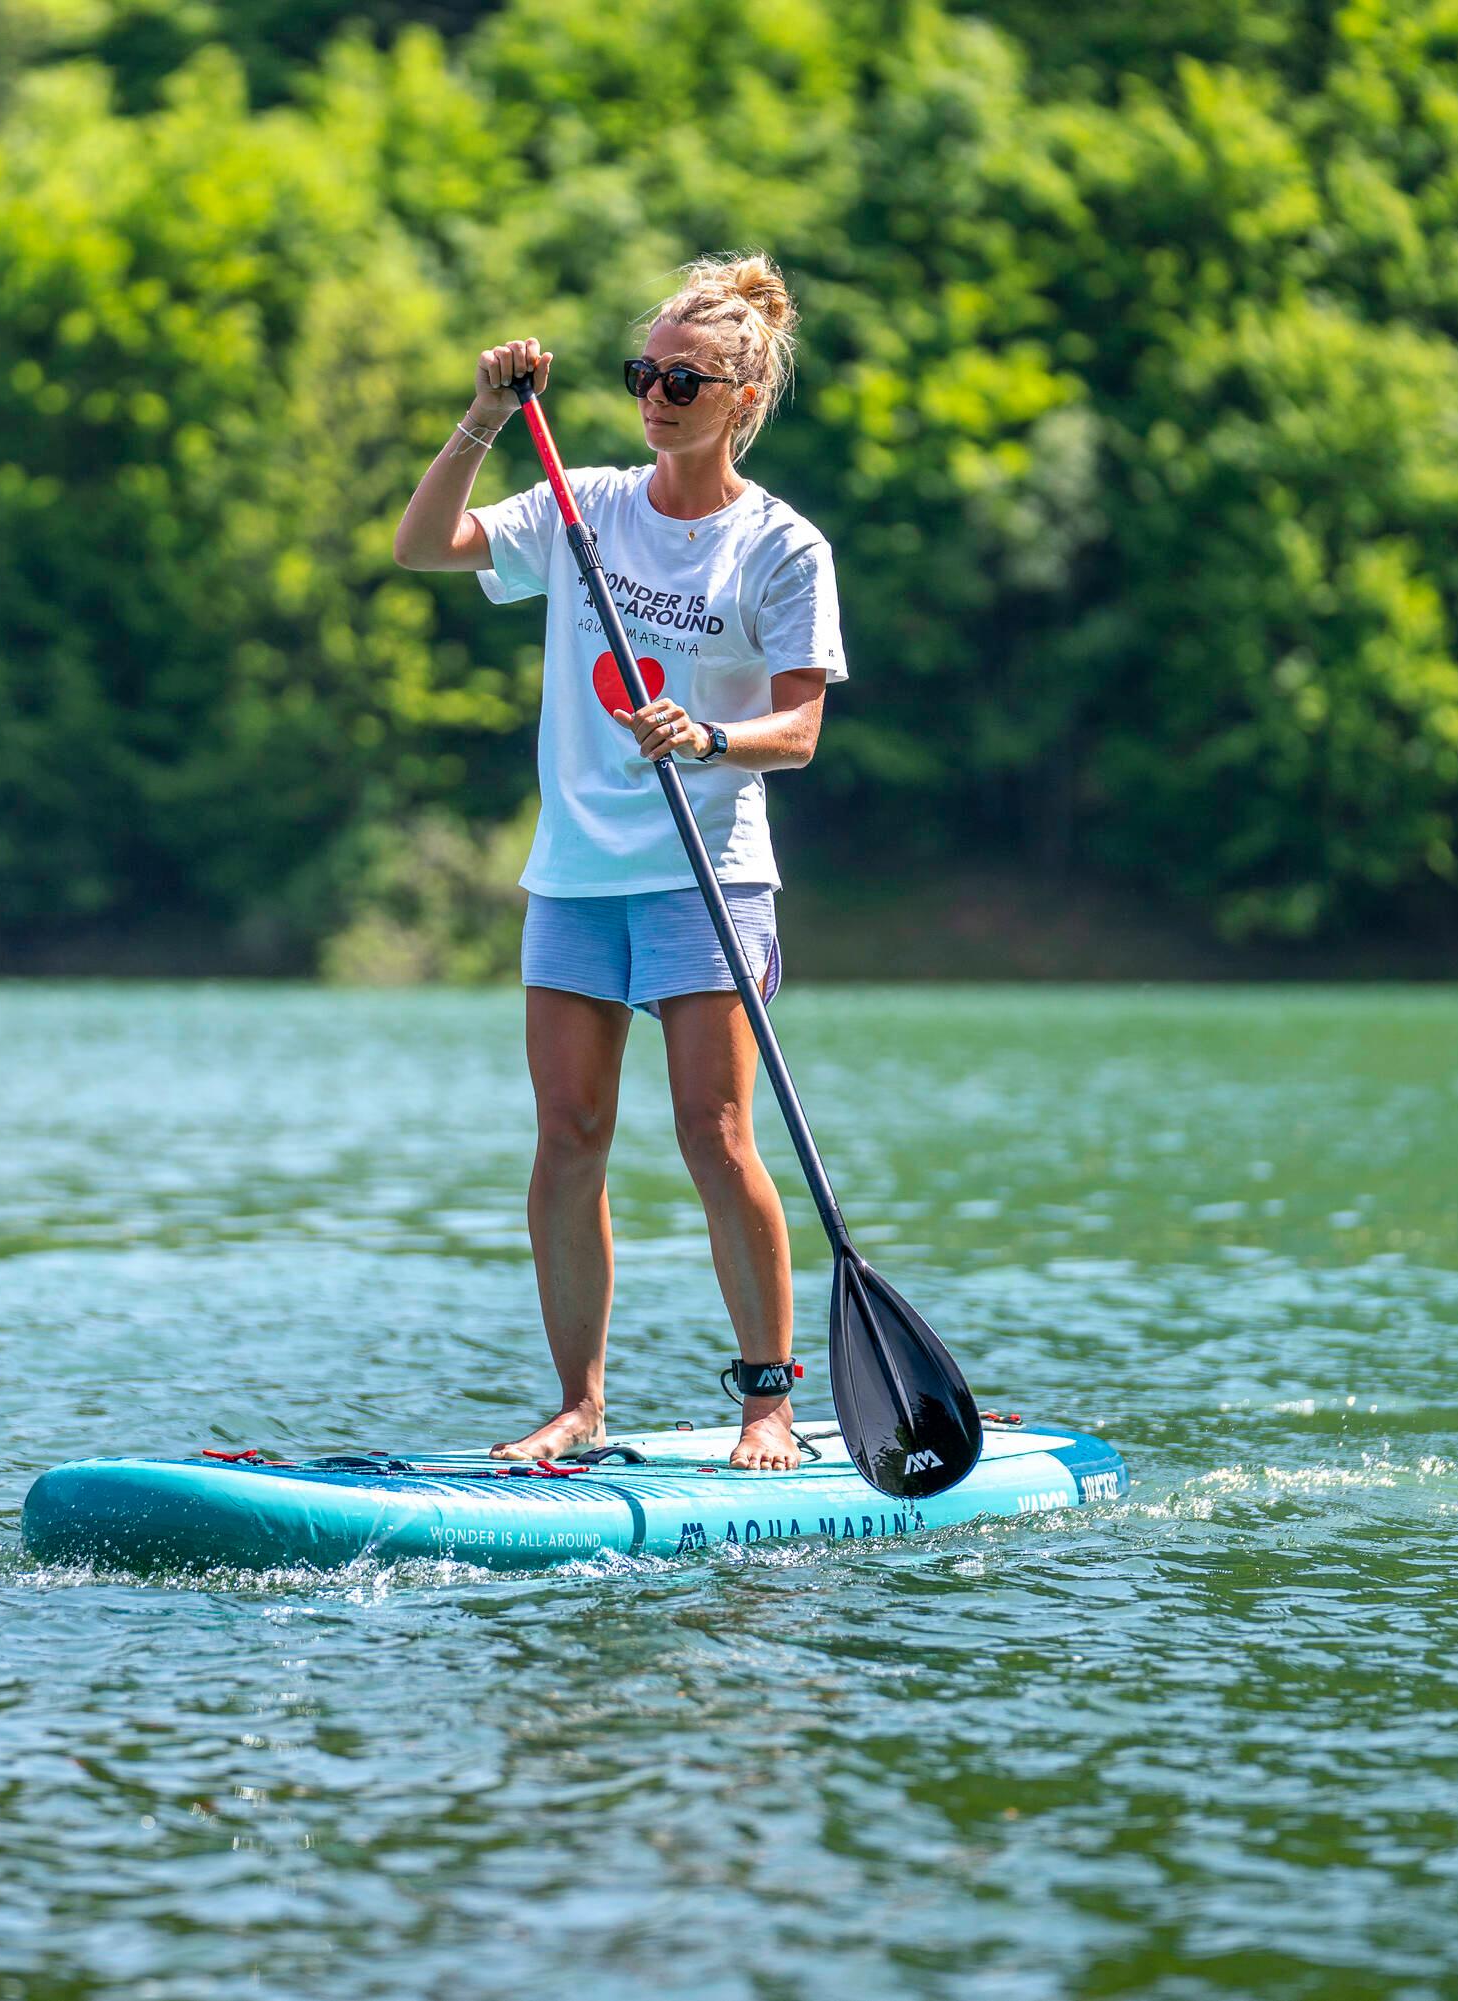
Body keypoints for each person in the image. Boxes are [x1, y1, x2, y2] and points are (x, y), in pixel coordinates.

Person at [391, 254, 845, 1472]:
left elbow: (798, 730)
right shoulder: (581, 503)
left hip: (709, 870)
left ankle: (767, 1405)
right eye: (643, 373)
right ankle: (579, 1405)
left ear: (740, 401)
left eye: (683, 381)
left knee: (715, 1135)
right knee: (569, 1136)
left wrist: (704, 734)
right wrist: (483, 423)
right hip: (577, 874)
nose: (655, 395)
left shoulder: (784, 548)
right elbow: (422, 545)